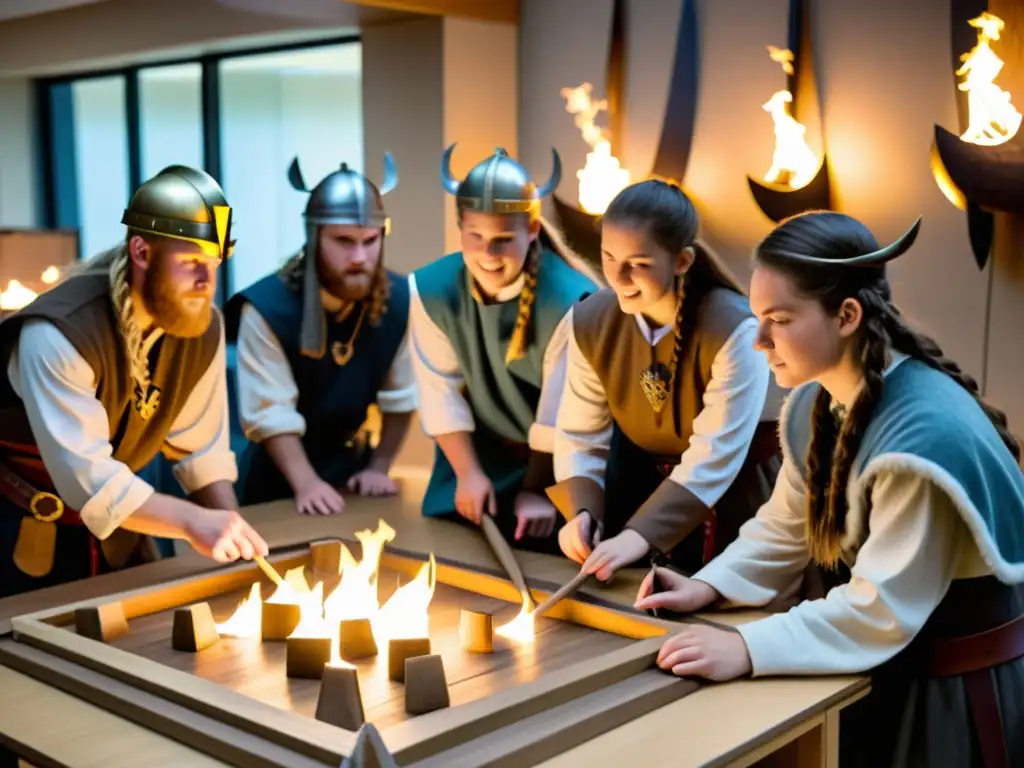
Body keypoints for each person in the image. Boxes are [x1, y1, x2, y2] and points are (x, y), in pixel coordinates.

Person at [634, 211, 1024, 767]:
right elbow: (784, 527)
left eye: (780, 319)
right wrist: (710, 586)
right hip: (889, 668)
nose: (760, 340)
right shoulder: (822, 403)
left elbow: (880, 607)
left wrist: (747, 646)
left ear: (846, 315)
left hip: (950, 694)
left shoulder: (920, 444)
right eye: (756, 318)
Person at [0, 165, 268, 598]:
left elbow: (201, 450)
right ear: (141, 252)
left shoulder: (203, 329)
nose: (206, 282)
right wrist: (192, 521)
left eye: (215, 264)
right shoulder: (56, 333)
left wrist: (234, 533)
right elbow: (87, 480)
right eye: (191, 263)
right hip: (18, 538)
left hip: (122, 539)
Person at [549, 179, 783, 579]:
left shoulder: (736, 330)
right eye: (608, 258)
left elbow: (715, 454)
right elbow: (580, 433)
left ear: (682, 262)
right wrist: (582, 511)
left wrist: (639, 535)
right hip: (642, 489)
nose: (618, 278)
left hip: (739, 498)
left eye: (637, 264)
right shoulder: (590, 320)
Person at [409, 145, 600, 550]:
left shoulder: (570, 300)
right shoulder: (430, 290)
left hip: (555, 465)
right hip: (478, 459)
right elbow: (440, 391)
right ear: (459, 226)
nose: (488, 254)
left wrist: (539, 490)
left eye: (502, 239)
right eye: (475, 236)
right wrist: (468, 473)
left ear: (531, 232)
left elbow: (560, 414)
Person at [227, 155, 415, 514]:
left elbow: (402, 395)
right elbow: (271, 413)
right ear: (314, 238)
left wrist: (380, 466)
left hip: (353, 475)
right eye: (343, 241)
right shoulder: (268, 308)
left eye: (370, 240)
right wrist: (307, 483)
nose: (359, 256)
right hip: (277, 484)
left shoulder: (403, 299)